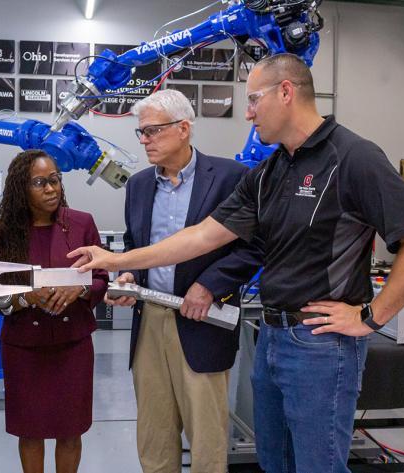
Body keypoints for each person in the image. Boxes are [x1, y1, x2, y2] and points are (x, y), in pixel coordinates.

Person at [68, 54, 404, 473]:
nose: (247, 113)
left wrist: (371, 317)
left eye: (253, 100)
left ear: (286, 92)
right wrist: (118, 259)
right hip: (271, 335)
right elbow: (201, 237)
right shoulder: (270, 171)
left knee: (317, 465)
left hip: (320, 342)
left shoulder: (352, 156)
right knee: (274, 461)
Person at [104, 89, 262, 473]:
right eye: (140, 133)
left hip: (201, 321)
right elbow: (134, 243)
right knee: (154, 438)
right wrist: (130, 274)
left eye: (152, 131)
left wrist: (209, 285)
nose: (144, 141)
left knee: (207, 440)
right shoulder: (139, 185)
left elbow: (253, 247)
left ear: (183, 129)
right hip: (150, 321)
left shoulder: (231, 178)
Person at [0, 149, 108, 473]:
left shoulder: (81, 224)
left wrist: (79, 289)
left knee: (71, 430)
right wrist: (28, 297)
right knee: (30, 430)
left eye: (54, 179)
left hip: (73, 344)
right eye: (40, 182)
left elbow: (101, 280)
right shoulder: (3, 232)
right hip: (24, 346)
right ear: (20, 189)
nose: (51, 188)